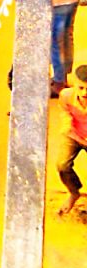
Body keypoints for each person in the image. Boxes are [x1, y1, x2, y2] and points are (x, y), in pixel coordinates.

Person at [57, 63, 87, 216]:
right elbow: (64, 110)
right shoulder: (66, 95)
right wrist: (66, 123)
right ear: (74, 84)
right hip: (74, 135)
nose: (84, 93)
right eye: (81, 88)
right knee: (62, 165)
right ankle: (74, 192)